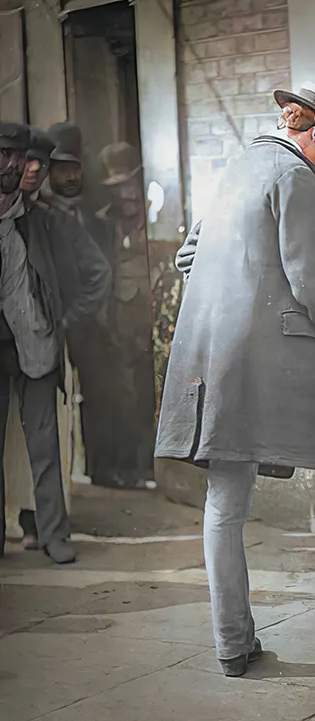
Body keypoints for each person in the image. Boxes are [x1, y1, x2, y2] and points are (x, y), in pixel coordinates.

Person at [156, 82, 315, 676]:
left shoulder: (237, 166)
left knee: (224, 503)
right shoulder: (294, 174)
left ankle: (232, 645)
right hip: (269, 355)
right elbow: (314, 282)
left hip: (210, 358)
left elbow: (188, 255)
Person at [0, 123, 75, 562]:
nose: (12, 165)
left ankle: (54, 534)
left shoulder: (40, 220)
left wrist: (60, 313)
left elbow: (70, 273)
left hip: (36, 346)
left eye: (18, 156)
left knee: (45, 445)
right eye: (4, 155)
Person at [96, 141, 155, 489]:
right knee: (123, 399)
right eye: (118, 187)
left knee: (150, 396)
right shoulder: (103, 224)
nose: (126, 193)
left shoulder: (160, 216)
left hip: (152, 324)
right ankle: (125, 469)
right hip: (117, 328)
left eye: (130, 183)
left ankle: (149, 468)